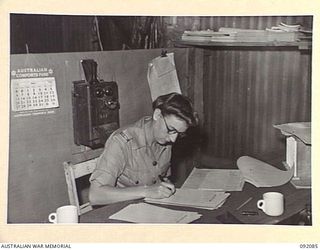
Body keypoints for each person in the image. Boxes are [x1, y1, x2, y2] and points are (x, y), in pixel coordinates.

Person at [89, 92, 198, 205]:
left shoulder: (165, 141)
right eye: (171, 129)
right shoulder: (121, 142)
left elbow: (161, 178)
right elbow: (95, 195)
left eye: (179, 134)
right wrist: (146, 191)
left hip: (147, 209)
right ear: (157, 115)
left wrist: (165, 187)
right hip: (119, 211)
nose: (173, 139)